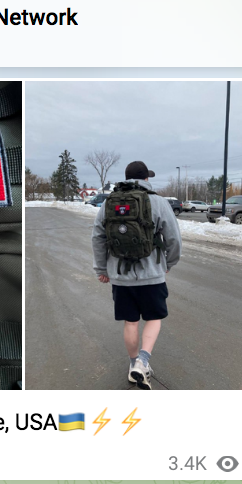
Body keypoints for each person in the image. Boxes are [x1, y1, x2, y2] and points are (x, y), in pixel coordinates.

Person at [92, 161, 182, 389]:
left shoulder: (109, 203)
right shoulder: (158, 202)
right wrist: (168, 263)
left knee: (130, 322)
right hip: (152, 274)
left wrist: (102, 269)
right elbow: (173, 239)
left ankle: (133, 365)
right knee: (153, 318)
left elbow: (98, 237)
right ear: (146, 179)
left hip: (121, 277)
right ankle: (143, 361)